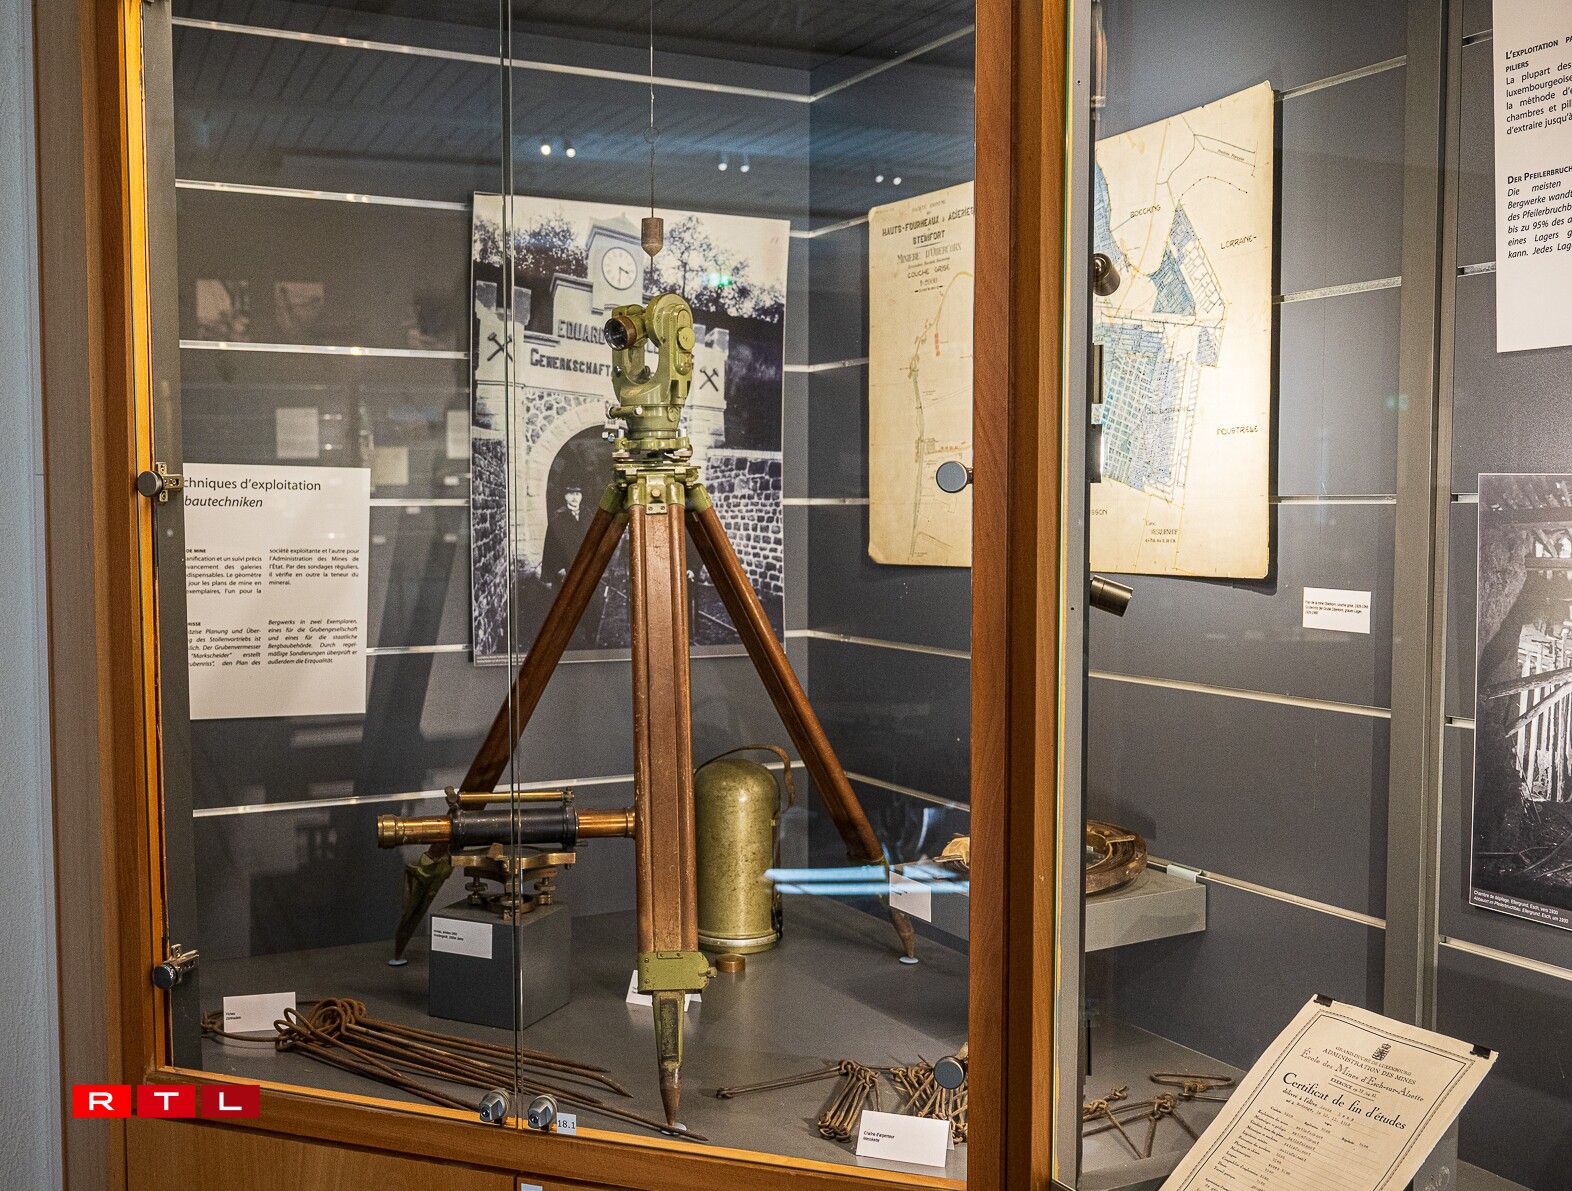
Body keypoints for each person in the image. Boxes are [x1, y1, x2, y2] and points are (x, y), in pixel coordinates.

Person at [540, 483, 586, 591]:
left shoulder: (587, 515)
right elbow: (550, 547)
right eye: (571, 493)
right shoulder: (557, 518)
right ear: (565, 496)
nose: (574, 497)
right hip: (565, 568)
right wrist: (558, 568)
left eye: (577, 494)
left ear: (581, 496)